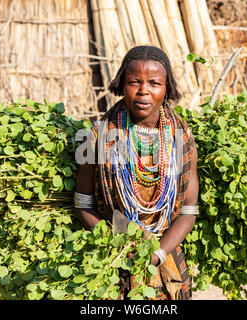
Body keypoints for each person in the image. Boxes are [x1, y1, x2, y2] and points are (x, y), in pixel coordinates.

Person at [74, 45, 199, 300]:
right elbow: (82, 203)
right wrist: (118, 243)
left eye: (154, 83)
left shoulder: (181, 138)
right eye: (134, 82)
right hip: (112, 261)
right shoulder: (97, 137)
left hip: (167, 265)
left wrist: (157, 254)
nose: (143, 91)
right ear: (121, 85)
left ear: (167, 88)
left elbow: (188, 210)